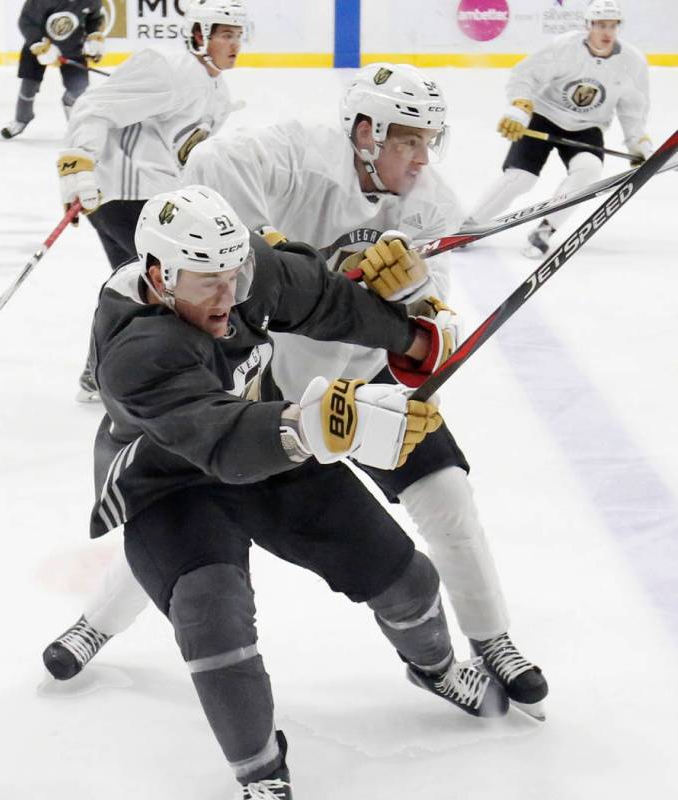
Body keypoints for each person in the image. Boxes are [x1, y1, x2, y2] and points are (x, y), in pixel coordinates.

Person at [44, 63, 549, 721]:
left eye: (431, 141)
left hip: (361, 371)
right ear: (365, 132)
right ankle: (97, 622)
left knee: (447, 493)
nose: (422, 158)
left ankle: (490, 640)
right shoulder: (292, 156)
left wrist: (412, 295)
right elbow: (207, 175)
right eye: (407, 141)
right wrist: (270, 245)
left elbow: (435, 326)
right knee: (189, 507)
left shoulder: (429, 201)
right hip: (274, 376)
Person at [74, 184, 508, 798]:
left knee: (406, 579)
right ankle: (259, 774)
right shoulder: (136, 349)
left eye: (235, 275)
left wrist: (415, 341)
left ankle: (435, 667)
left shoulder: (237, 266)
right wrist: (316, 424)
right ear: (158, 274)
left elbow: (325, 300)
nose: (230, 296)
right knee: (211, 614)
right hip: (170, 483)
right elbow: (220, 439)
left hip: (271, 444)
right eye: (209, 283)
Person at [56, 0, 248, 399]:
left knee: (132, 286)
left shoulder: (216, 89)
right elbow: (94, 106)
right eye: (225, 35)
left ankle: (99, 373)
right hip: (126, 197)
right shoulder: (168, 68)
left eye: (237, 35)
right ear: (199, 35)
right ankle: (157, 378)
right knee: (170, 290)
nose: (234, 44)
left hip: (150, 202)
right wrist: (78, 165)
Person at [464, 0, 651, 257]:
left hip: (588, 127)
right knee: (521, 178)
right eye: (599, 25)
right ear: (588, 26)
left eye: (612, 25)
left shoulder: (632, 62)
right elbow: (524, 74)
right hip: (543, 116)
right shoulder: (564, 47)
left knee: (589, 170)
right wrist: (519, 108)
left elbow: (633, 108)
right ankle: (467, 227)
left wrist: (637, 143)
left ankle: (545, 230)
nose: (606, 32)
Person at [1, 0, 105, 139]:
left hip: (72, 47)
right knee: (29, 85)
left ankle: (72, 115)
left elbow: (95, 18)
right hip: (38, 46)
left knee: (79, 88)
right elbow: (26, 21)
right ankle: (21, 119)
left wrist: (94, 35)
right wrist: (39, 43)